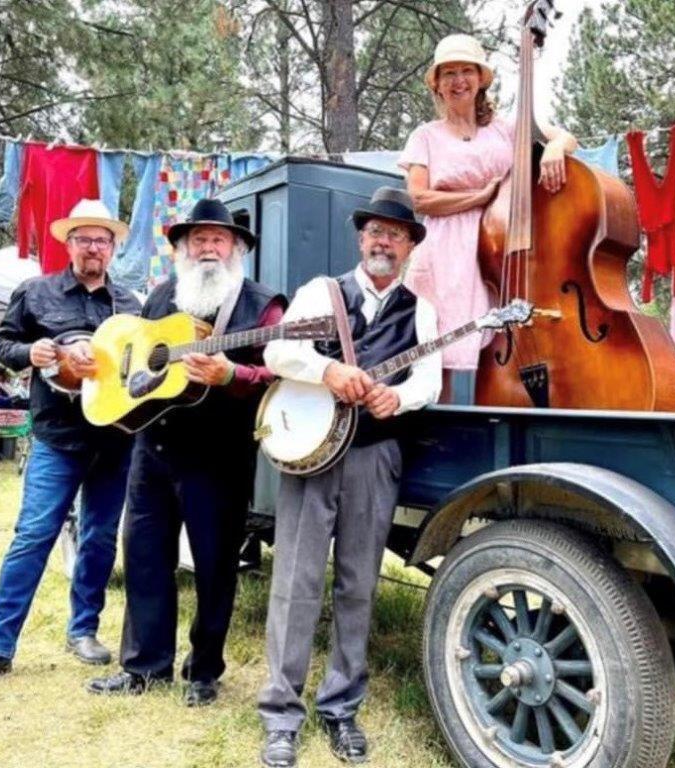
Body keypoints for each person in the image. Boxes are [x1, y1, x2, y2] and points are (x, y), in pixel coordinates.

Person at [257, 187, 441, 767]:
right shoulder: (323, 292)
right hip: (315, 454)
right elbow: (277, 355)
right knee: (295, 581)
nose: (383, 240)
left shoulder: (423, 309)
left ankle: (341, 706)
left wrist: (400, 398)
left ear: (410, 245)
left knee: (358, 584)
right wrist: (329, 369)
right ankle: (281, 715)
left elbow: (430, 380)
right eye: (374, 231)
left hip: (375, 456)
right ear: (361, 239)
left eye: (396, 232)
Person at [87, 199, 286, 707]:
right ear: (180, 249)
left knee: (216, 566)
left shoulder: (263, 307)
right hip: (151, 451)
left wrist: (232, 375)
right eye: (198, 240)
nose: (208, 248)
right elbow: (131, 358)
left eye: (219, 239)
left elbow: (280, 372)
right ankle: (143, 666)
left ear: (237, 248)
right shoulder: (160, 296)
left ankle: (203, 671)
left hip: (218, 458)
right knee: (146, 558)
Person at [0, 199, 141, 692]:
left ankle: (84, 630)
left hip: (115, 438)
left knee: (101, 538)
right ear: (69, 243)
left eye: (102, 239)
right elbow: (4, 345)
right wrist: (32, 353)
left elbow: (140, 365)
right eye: (84, 238)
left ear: (112, 247)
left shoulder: (130, 304)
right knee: (33, 535)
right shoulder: (35, 292)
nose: (93, 247)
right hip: (57, 437)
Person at [399, 33, 577, 399]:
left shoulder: (504, 128)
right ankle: (439, 433)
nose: (458, 80)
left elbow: (564, 135)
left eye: (466, 70)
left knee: (504, 336)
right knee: (442, 352)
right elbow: (418, 198)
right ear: (437, 84)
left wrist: (554, 148)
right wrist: (477, 196)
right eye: (448, 73)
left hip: (501, 249)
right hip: (447, 248)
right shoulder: (426, 135)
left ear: (481, 79)